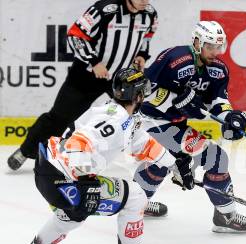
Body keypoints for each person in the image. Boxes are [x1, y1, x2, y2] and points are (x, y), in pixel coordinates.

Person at [21, 68, 194, 244]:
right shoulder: (117, 120)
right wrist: (86, 181)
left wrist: (176, 164)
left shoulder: (113, 112)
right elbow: (79, 142)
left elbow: (143, 144)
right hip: (67, 179)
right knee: (135, 196)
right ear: (138, 96)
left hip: (47, 171)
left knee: (73, 213)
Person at [135, 21, 246, 233]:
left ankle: (136, 203)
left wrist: (230, 117)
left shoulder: (218, 70)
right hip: (148, 121)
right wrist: (174, 99)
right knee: (215, 158)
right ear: (197, 42)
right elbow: (142, 87)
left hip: (175, 126)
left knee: (162, 161)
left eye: (219, 47)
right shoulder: (175, 58)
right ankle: (226, 216)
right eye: (211, 46)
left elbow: (218, 101)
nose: (215, 52)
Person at [8, 0, 157, 170]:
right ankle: (26, 151)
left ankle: (148, 155)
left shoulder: (150, 14)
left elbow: (146, 37)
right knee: (60, 116)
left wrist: (142, 55)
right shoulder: (105, 10)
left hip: (120, 77)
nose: (145, 1)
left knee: (137, 114)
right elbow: (75, 35)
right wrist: (94, 62)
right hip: (87, 75)